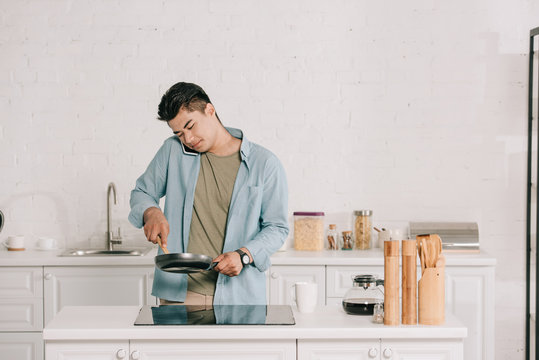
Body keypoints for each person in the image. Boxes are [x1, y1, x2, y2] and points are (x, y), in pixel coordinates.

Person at [128, 82, 289, 306]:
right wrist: (151, 211)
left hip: (239, 297)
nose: (188, 139)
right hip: (179, 296)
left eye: (191, 126)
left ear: (210, 110)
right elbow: (142, 192)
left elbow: (277, 227)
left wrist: (244, 255)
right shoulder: (172, 151)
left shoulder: (265, 164)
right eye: (179, 133)